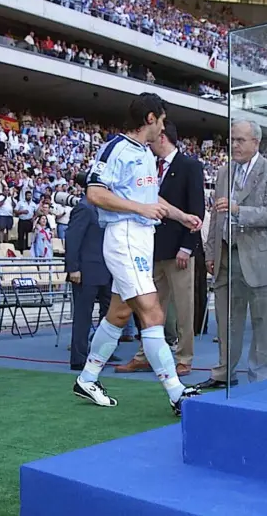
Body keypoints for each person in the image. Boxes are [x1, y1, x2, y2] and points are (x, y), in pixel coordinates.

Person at [73, 93, 202, 416]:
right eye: (162, 120)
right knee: (153, 313)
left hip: (142, 237)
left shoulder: (144, 152)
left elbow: (150, 197)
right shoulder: (116, 148)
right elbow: (95, 192)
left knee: (119, 314)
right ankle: (177, 393)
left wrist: (181, 216)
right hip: (125, 236)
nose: (164, 127)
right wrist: (139, 209)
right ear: (150, 118)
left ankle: (87, 379)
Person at [197, 119, 267, 390]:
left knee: (263, 322)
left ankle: (260, 378)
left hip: (259, 259)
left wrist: (240, 211)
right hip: (226, 256)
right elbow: (217, 215)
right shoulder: (224, 172)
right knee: (227, 321)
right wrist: (211, 252)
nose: (234, 145)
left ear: (255, 143)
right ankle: (224, 371)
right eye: (232, 140)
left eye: (240, 140)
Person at [115, 119, 204, 376]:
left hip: (179, 250)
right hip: (153, 249)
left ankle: (184, 357)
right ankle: (145, 354)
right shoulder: (150, 166)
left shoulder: (190, 166)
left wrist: (187, 247)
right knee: (150, 306)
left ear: (162, 136)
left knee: (184, 308)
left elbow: (197, 209)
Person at [64, 172, 112, 370]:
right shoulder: (83, 208)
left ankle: (101, 354)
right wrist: (73, 268)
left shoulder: (104, 209)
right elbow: (72, 238)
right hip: (86, 271)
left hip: (105, 269)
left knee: (108, 315)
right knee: (83, 316)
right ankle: (79, 357)